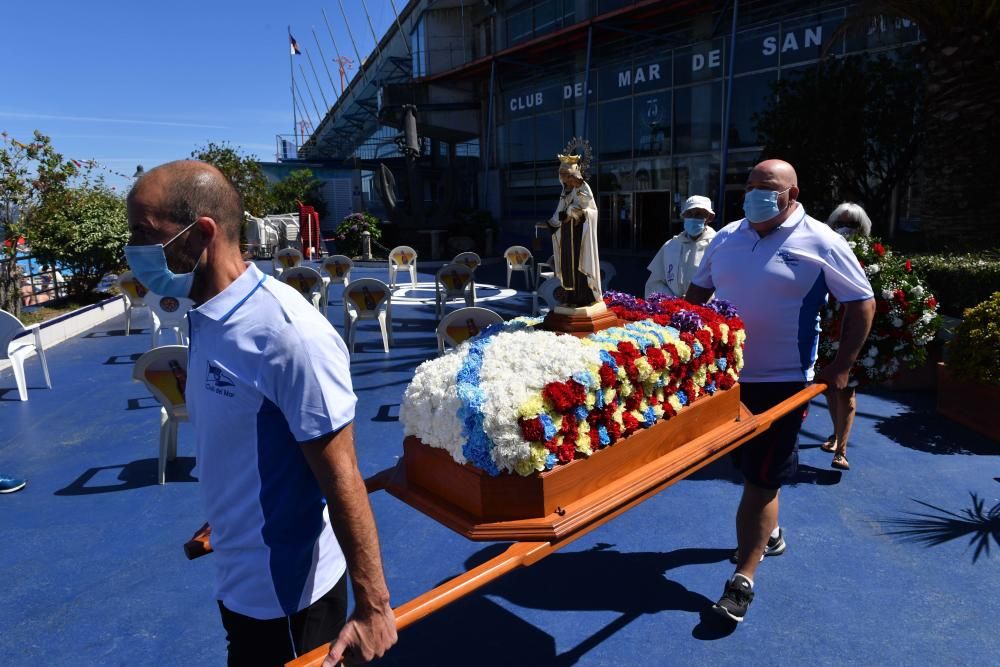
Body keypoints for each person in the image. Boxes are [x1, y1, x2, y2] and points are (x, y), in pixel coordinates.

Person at [125, 161, 396, 666]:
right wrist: (230, 512)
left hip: (289, 597)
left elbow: (342, 478)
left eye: (143, 231)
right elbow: (245, 441)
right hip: (239, 577)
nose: (132, 247)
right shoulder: (207, 315)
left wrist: (374, 608)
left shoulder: (286, 335)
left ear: (199, 234)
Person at [685, 160, 875, 624]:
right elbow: (697, 293)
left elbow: (861, 300)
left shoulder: (822, 241)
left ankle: (743, 578)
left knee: (761, 479)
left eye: (766, 188)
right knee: (747, 467)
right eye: (750, 186)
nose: (755, 195)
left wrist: (841, 366)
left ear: (791, 194)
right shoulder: (727, 236)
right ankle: (768, 534)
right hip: (728, 380)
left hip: (785, 384)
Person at [820, 203, 874, 470]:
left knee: (846, 390)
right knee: (829, 389)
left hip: (852, 337)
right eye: (841, 223)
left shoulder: (873, 259)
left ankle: (841, 449)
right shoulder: (825, 250)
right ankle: (836, 432)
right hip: (828, 332)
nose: (846, 229)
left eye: (852, 225)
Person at [546, 153, 601, 307]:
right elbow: (558, 214)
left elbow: (592, 211)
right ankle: (570, 297)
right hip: (566, 235)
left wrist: (576, 212)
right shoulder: (565, 193)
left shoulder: (583, 188)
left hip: (579, 238)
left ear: (574, 174)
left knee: (580, 267)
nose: (565, 178)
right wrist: (550, 223)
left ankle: (584, 298)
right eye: (562, 175)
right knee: (567, 266)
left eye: (567, 175)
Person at [645, 195, 718, 298]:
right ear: (683, 216)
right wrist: (674, 302)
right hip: (674, 308)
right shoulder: (670, 246)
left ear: (709, 218)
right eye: (689, 214)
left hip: (706, 310)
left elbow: (725, 285)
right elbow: (655, 283)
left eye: (699, 214)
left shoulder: (717, 246)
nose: (693, 218)